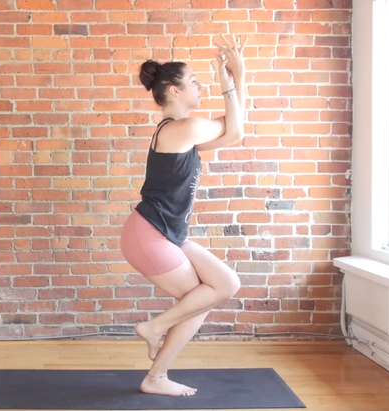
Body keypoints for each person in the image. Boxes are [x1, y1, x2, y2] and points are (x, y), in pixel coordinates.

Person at [120, 35, 248, 397]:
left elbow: (236, 128)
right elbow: (236, 130)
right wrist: (234, 78)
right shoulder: (184, 128)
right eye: (194, 82)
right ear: (174, 91)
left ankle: (156, 362)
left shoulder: (182, 132)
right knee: (200, 298)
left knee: (222, 284)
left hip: (164, 233)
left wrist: (236, 79)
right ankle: (155, 352)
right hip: (148, 234)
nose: (200, 86)